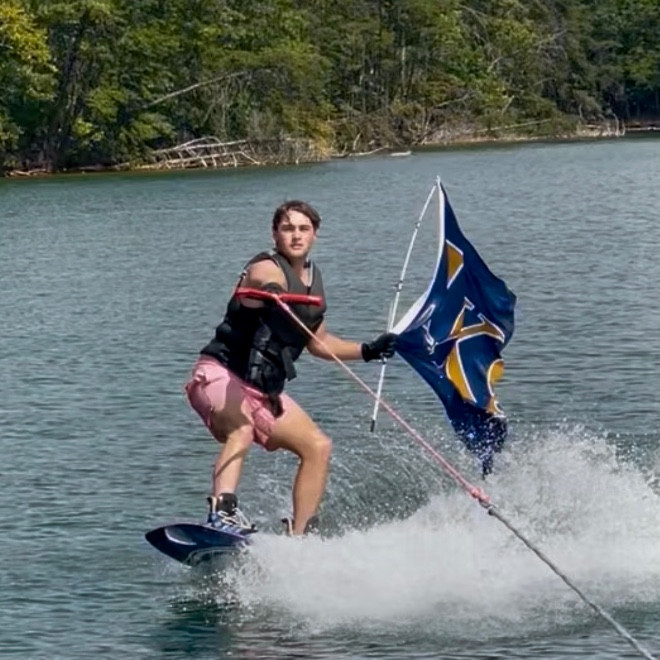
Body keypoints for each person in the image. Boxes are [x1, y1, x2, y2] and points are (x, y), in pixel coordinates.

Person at [184, 200, 396, 535]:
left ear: (315, 235)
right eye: (287, 228)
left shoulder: (314, 282)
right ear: (275, 234)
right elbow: (260, 279)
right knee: (241, 428)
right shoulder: (264, 266)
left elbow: (319, 343)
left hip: (263, 392)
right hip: (219, 375)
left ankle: (300, 535)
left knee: (317, 446)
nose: (296, 235)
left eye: (303, 229)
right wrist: (272, 291)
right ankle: (222, 513)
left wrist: (369, 350)